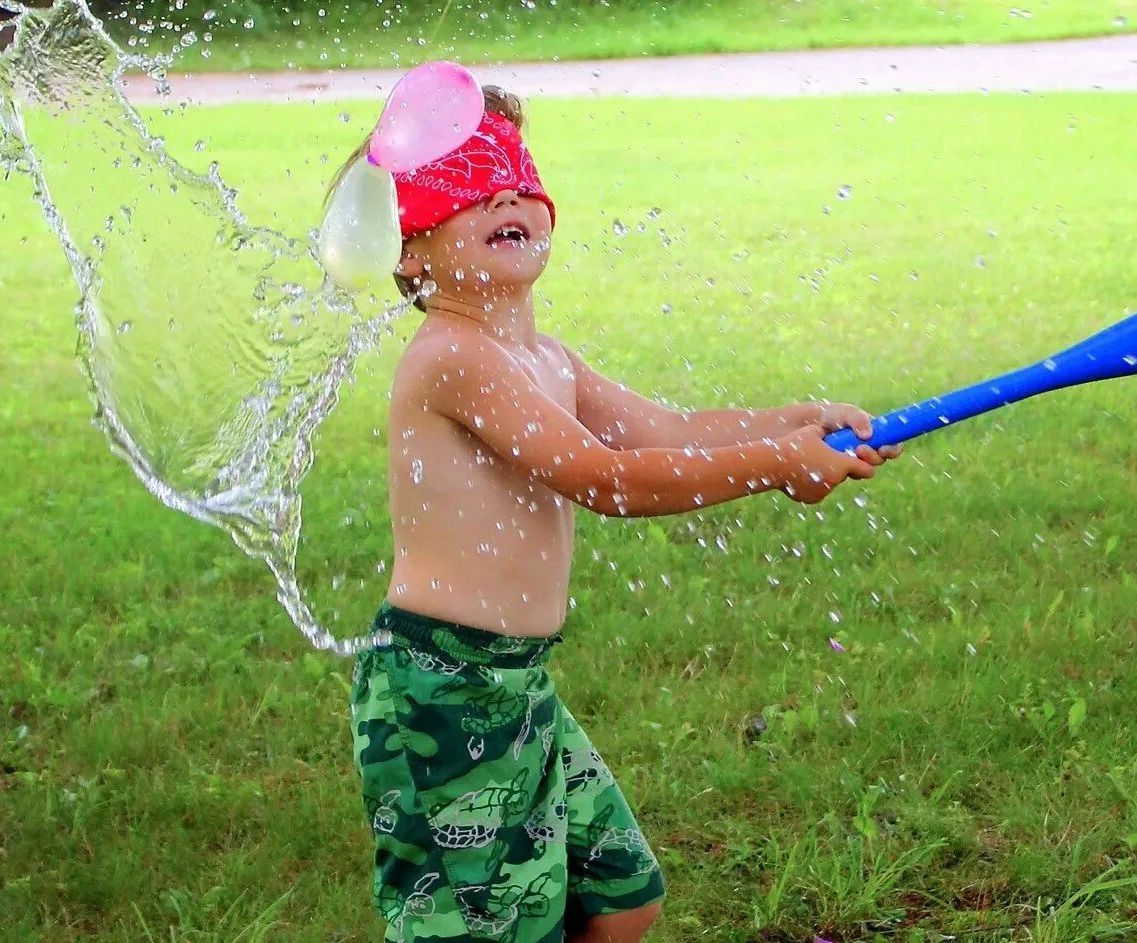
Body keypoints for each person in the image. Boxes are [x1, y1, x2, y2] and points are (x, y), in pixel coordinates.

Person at [338, 81, 902, 943]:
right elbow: (613, 479)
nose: (507, 193)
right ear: (411, 252)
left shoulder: (546, 358)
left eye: (519, 176)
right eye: (467, 181)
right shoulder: (452, 356)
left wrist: (799, 422)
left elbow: (668, 432)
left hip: (517, 679)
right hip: (442, 692)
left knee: (623, 897)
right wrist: (777, 468)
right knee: (489, 928)